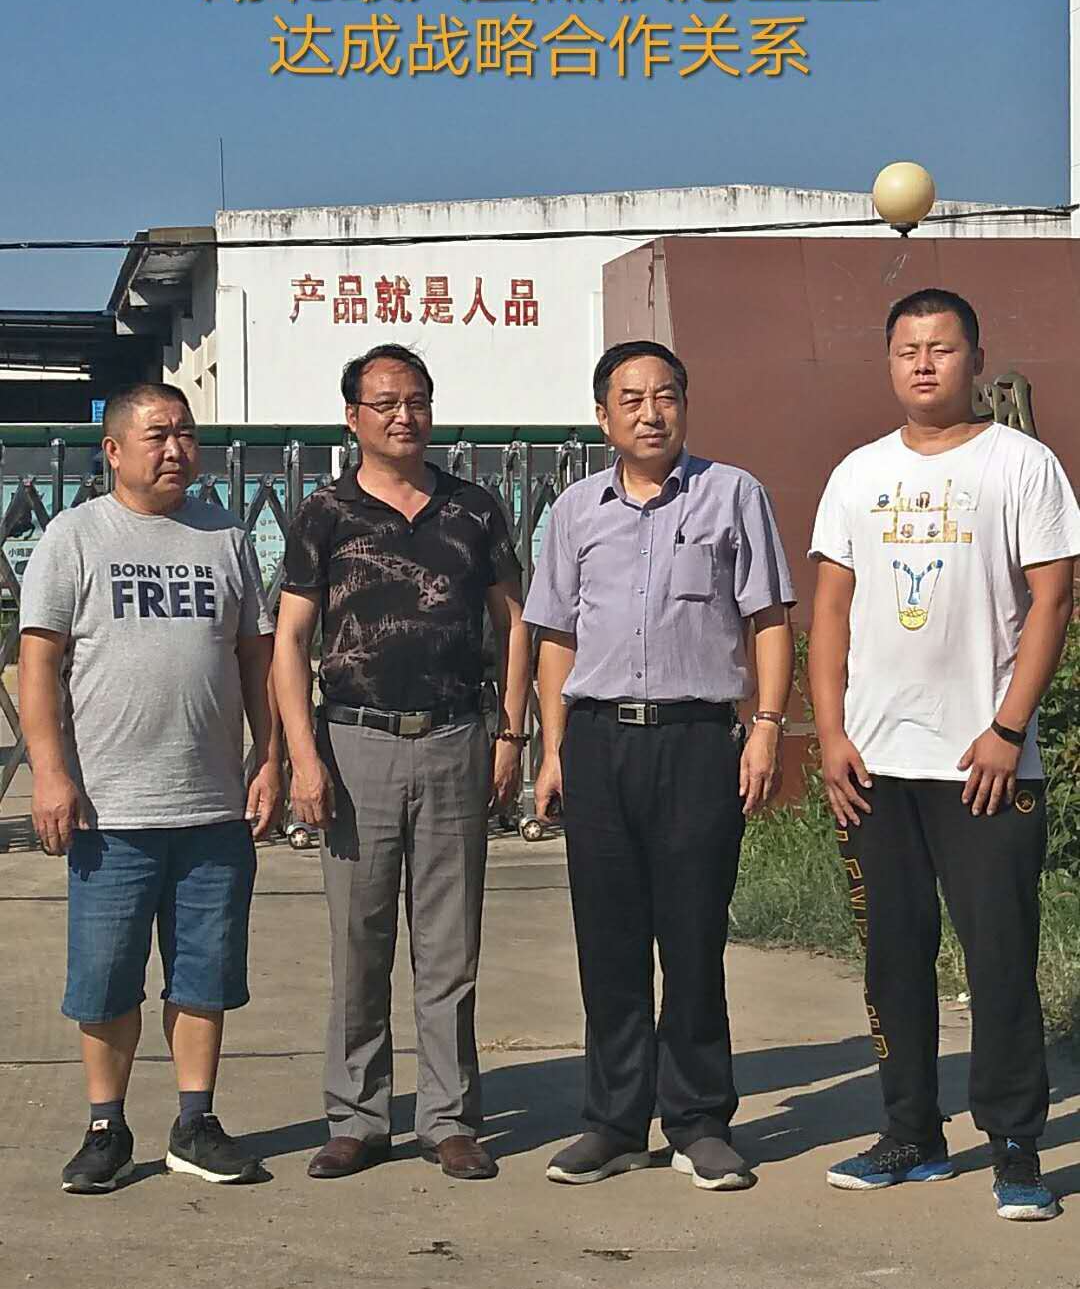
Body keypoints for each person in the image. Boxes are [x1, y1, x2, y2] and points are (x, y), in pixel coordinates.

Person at [808, 288, 1080, 1221]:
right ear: (889, 363)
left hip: (983, 765)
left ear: (975, 359)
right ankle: (910, 1132)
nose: (924, 363)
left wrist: (1007, 729)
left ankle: (1014, 1144)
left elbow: (1052, 600)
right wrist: (832, 734)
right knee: (893, 957)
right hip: (875, 765)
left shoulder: (1021, 464)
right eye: (908, 349)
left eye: (942, 347)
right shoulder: (858, 474)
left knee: (999, 958)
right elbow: (830, 610)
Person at [524, 341, 795, 1190]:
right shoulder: (575, 510)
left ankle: (699, 1121)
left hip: (697, 741)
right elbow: (556, 635)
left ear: (685, 403)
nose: (651, 413)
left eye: (666, 395)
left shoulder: (734, 495)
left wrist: (766, 728)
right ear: (603, 416)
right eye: (632, 399)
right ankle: (613, 1123)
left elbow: (768, 619)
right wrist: (552, 749)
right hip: (599, 742)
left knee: (693, 938)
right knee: (608, 945)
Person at [273, 344, 529, 1182]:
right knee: (360, 940)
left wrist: (510, 735)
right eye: (384, 403)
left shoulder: (473, 508)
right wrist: (303, 757)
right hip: (355, 744)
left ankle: (449, 1118)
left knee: (450, 946)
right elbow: (290, 641)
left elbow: (513, 623)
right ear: (353, 418)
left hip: (456, 738)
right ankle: (356, 1117)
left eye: (416, 400)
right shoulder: (325, 513)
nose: (403, 416)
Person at [19, 382, 281, 1194]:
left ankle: (195, 1123)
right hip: (110, 811)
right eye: (158, 434)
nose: (176, 449)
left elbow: (256, 659)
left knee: (206, 975)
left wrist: (270, 756)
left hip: (212, 806)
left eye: (186, 434)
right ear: (113, 450)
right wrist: (50, 773)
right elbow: (38, 663)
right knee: (105, 981)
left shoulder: (224, 536)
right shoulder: (75, 537)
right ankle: (106, 1127)